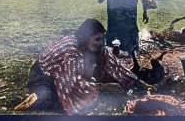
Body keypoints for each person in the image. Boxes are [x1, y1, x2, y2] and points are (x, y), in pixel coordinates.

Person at [14, 19, 155, 114]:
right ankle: (35, 97)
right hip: (45, 76)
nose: (101, 43)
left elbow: (115, 67)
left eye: (102, 39)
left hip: (69, 75)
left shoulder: (97, 47)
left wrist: (139, 82)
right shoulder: (70, 50)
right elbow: (72, 84)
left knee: (108, 80)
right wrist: (102, 87)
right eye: (97, 39)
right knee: (51, 99)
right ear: (86, 38)